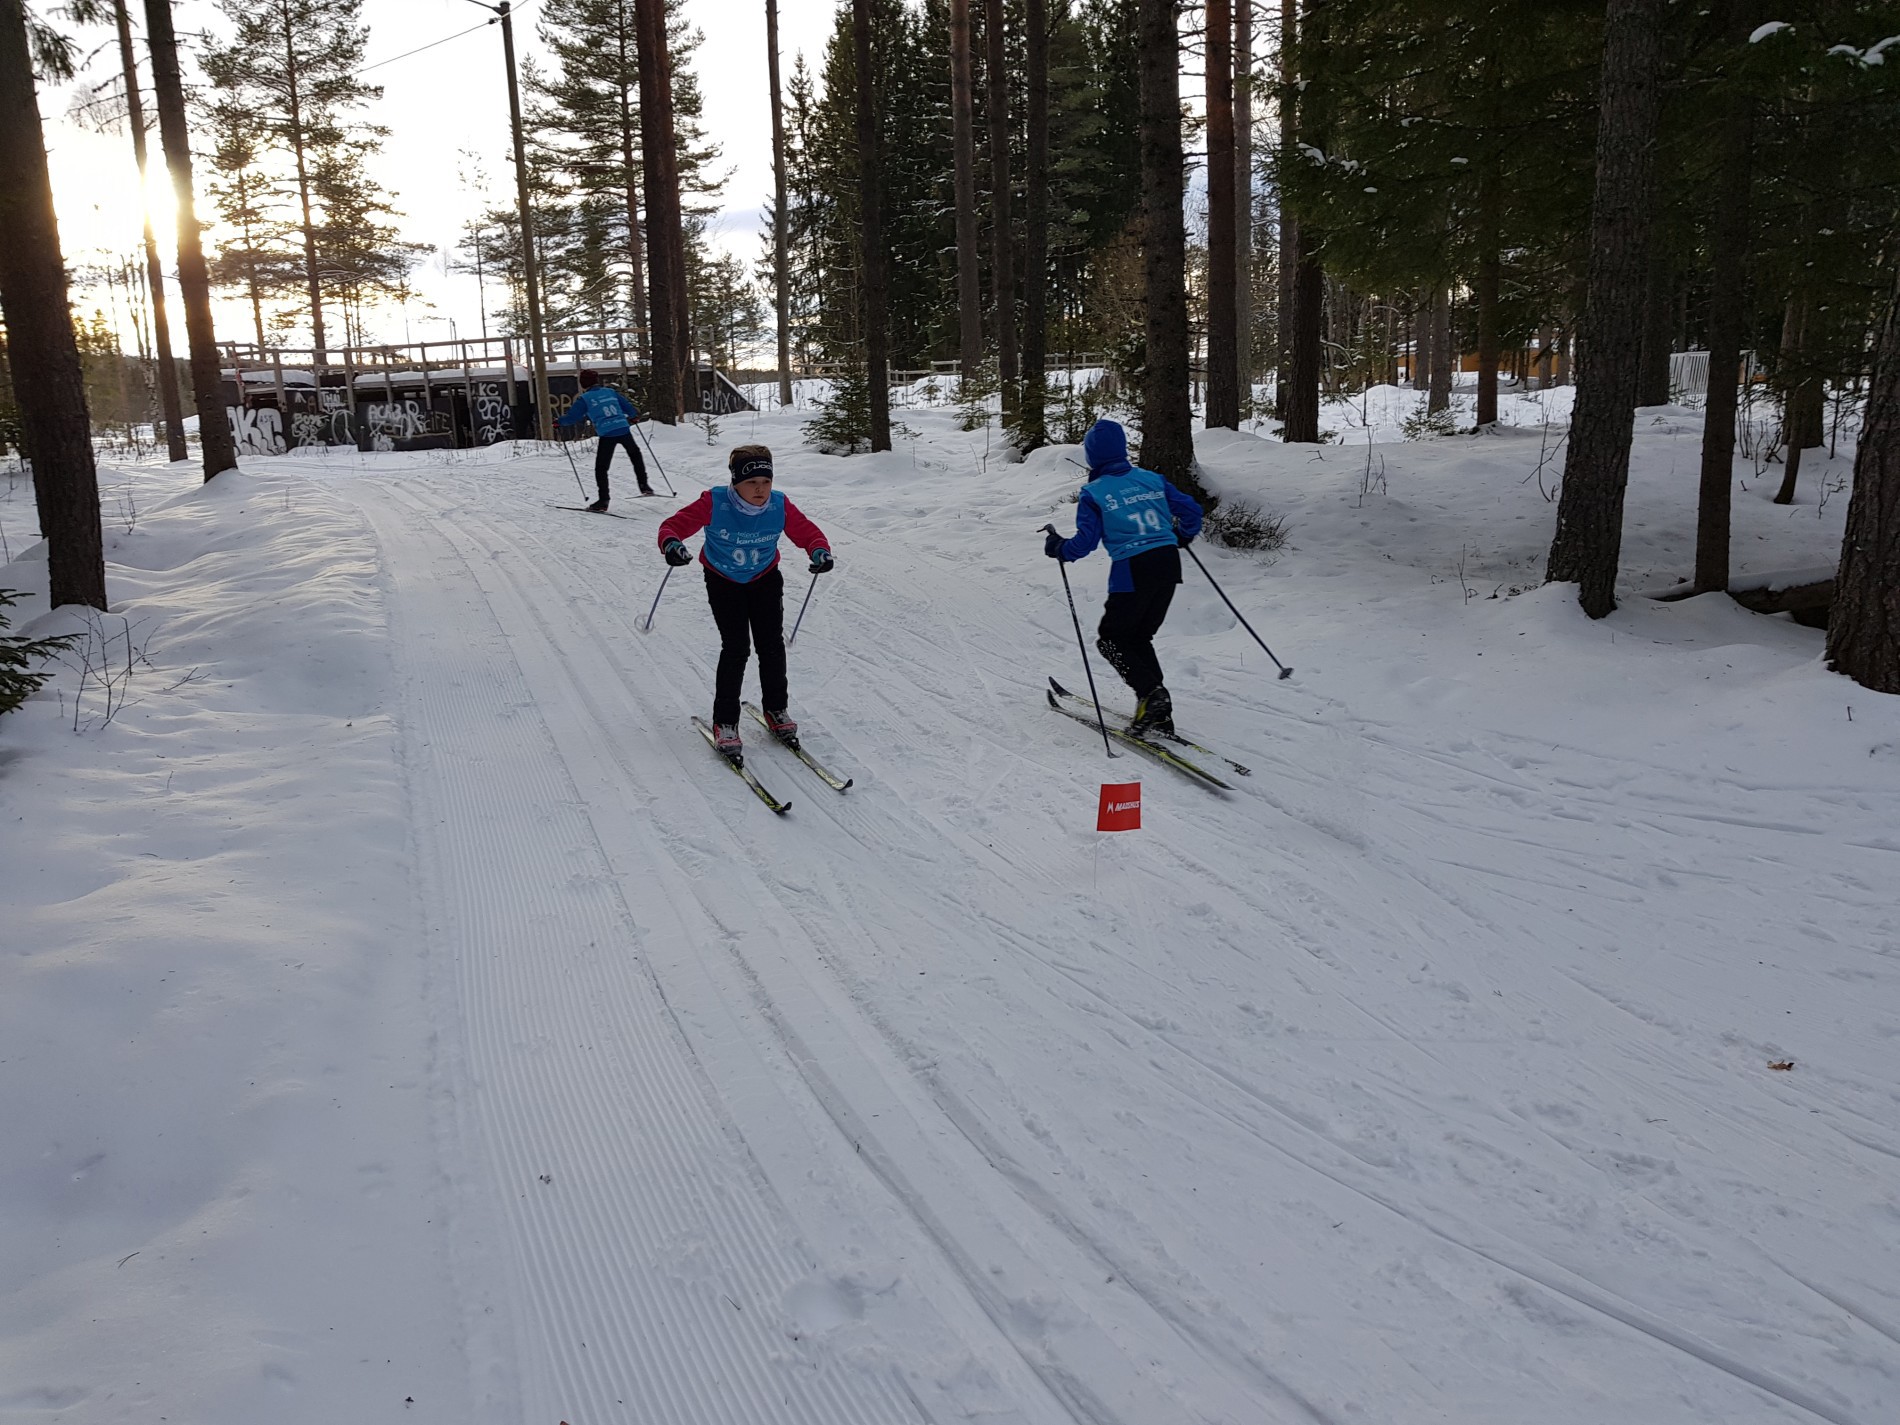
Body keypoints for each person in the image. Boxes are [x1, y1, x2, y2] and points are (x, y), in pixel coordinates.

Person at [657, 444, 834, 758]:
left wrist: (819, 549)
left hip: (765, 578)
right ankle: (725, 722)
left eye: (766, 482)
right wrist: (671, 544)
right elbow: (673, 526)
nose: (761, 489)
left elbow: (806, 531)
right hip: (723, 580)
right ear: (736, 482)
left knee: (771, 645)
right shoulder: (714, 502)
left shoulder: (779, 505)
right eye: (752, 483)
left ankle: (776, 710)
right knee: (737, 647)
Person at [1044, 418, 1203, 736]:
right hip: (1169, 565)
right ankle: (1159, 711)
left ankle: (1151, 696)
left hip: (1133, 569)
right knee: (1138, 637)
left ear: (1092, 457)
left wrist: (1059, 548)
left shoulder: (1093, 493)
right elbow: (1191, 511)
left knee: (1112, 639)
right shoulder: (1151, 479)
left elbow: (1084, 543)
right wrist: (1183, 535)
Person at [556, 369, 652, 510]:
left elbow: (572, 417)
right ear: (597, 381)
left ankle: (603, 500)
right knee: (635, 455)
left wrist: (558, 422)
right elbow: (627, 407)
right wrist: (633, 416)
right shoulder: (610, 392)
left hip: (607, 433)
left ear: (583, 383)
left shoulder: (585, 399)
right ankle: (644, 486)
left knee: (601, 468)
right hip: (623, 428)